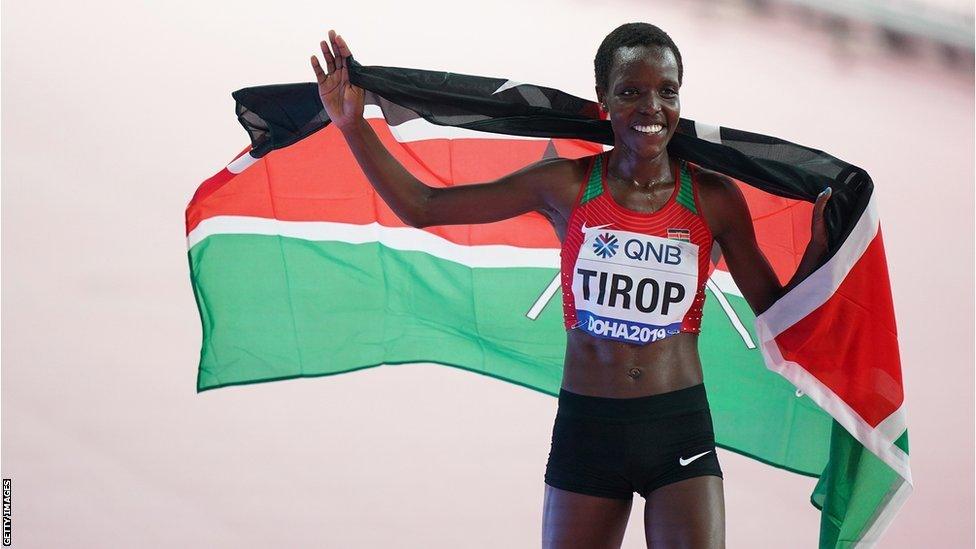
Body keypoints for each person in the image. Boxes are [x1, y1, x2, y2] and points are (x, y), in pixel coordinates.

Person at [311, 22, 831, 549]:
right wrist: (353, 127)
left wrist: (817, 251)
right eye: (631, 92)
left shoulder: (715, 199)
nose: (652, 107)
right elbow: (423, 207)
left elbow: (776, 312)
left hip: (678, 427)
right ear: (603, 101)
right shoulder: (566, 185)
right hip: (589, 430)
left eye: (667, 92)